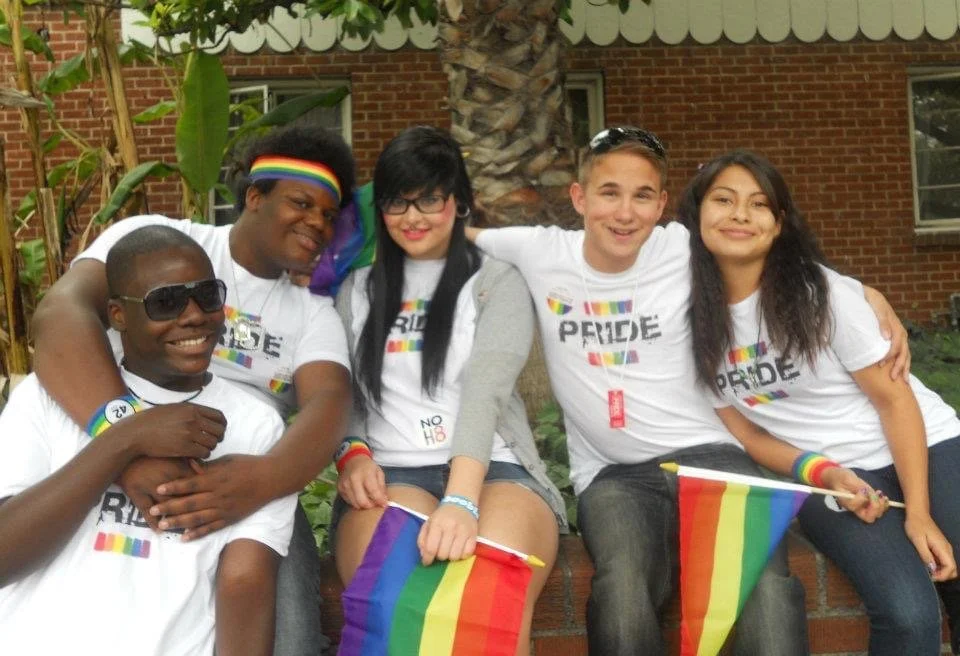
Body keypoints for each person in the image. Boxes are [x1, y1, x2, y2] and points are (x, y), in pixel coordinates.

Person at [467, 126, 911, 654]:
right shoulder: (539, 250)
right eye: (609, 193)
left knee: (764, 587)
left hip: (713, 456)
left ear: (661, 204)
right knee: (622, 588)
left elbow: (772, 253)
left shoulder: (682, 245)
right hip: (614, 474)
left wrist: (865, 293)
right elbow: (440, 231)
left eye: (642, 196)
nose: (624, 213)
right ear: (580, 198)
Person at [30, 125, 355, 655]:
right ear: (254, 196)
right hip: (113, 437)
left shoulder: (311, 313)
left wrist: (265, 478)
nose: (316, 223)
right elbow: (61, 314)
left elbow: (331, 401)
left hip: (247, 477)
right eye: (301, 202)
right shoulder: (162, 242)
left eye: (328, 215)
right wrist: (125, 441)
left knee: (293, 637)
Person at [679, 149, 960, 656]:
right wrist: (822, 471)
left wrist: (919, 512)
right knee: (907, 614)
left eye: (758, 204)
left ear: (779, 223)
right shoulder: (686, 317)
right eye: (723, 200)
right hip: (832, 473)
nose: (740, 214)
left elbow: (895, 401)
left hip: (927, 442)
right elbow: (749, 435)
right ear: (696, 214)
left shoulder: (818, 294)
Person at [0, 226, 297, 654]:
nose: (194, 314)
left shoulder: (255, 425)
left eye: (207, 295)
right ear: (118, 315)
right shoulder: (48, 395)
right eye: (166, 301)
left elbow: (245, 583)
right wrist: (126, 439)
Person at [331, 126, 565, 655]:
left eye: (430, 199)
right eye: (397, 202)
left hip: (496, 471)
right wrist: (352, 453)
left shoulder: (496, 280)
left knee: (486, 606)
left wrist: (461, 499)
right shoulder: (356, 290)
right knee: (391, 606)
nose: (413, 217)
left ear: (460, 202)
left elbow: (485, 391)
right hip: (390, 474)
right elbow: (336, 391)